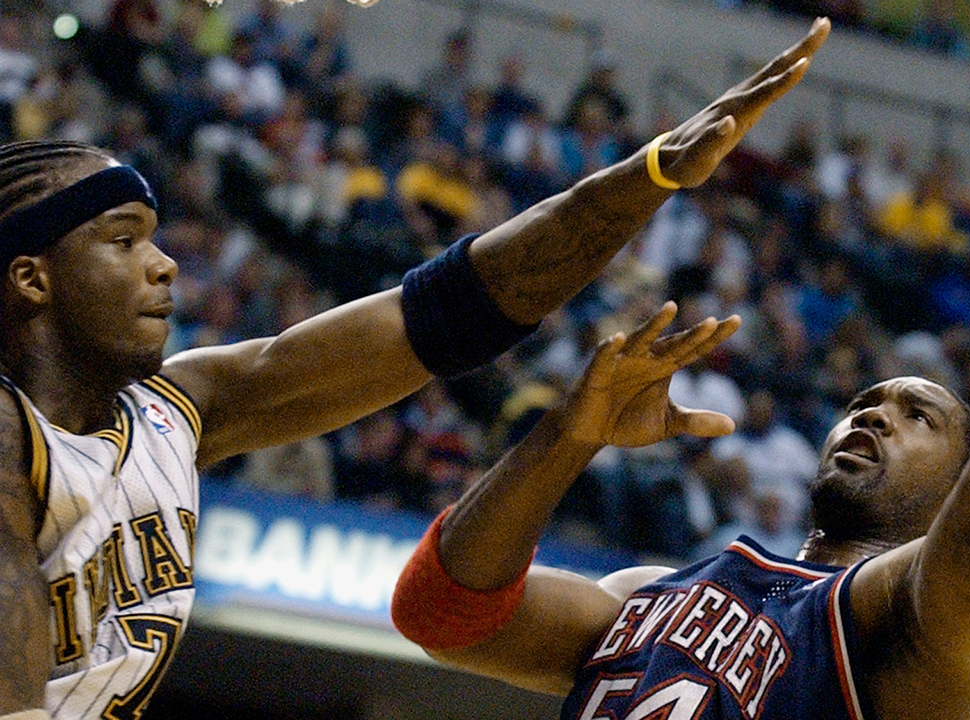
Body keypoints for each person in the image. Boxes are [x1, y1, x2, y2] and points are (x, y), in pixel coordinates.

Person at [0, 18, 831, 719]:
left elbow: (451, 309)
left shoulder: (176, 411)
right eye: (122, 240)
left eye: (154, 234)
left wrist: (649, 177)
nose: (165, 264)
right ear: (32, 277)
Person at [390, 138, 970, 719]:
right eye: (864, 403)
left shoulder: (902, 634)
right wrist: (567, 437)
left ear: (963, 480)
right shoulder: (646, 593)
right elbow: (438, 612)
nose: (874, 414)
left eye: (916, 414)